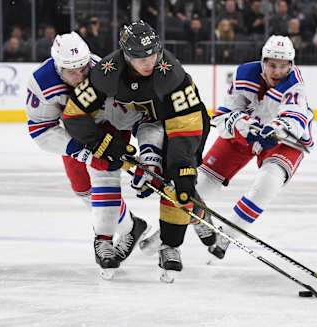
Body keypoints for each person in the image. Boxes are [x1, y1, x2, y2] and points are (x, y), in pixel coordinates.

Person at [62, 20, 211, 281]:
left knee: (178, 178)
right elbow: (74, 115)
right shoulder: (107, 72)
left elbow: (184, 132)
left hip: (184, 124)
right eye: (138, 56)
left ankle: (171, 245)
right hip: (144, 123)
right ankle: (194, 212)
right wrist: (104, 143)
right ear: (124, 55)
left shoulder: (172, 73)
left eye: (152, 53)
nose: (148, 62)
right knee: (170, 179)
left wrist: (183, 171)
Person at [25, 31, 148, 278]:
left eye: (83, 68)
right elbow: (41, 131)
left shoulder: (104, 72)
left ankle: (105, 238)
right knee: (83, 190)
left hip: (107, 126)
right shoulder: (41, 82)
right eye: (72, 71)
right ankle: (132, 227)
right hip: (76, 132)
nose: (80, 76)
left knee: (103, 175)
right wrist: (80, 151)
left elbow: (129, 111)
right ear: (58, 66)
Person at [195, 35, 314, 259]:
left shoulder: (295, 84)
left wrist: (277, 129)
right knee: (194, 188)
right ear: (263, 62)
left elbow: (295, 117)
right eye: (272, 65)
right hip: (246, 133)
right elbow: (224, 116)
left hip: (284, 141)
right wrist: (241, 124)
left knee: (267, 184)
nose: (277, 71)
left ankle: (225, 237)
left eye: (283, 66)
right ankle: (170, 232)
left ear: (291, 65)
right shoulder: (244, 74)